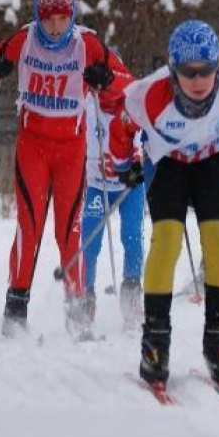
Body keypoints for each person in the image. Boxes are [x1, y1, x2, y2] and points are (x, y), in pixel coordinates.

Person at [0, 0, 131, 338]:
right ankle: (15, 309)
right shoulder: (24, 40)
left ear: (71, 17)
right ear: (39, 16)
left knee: (69, 230)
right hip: (33, 147)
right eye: (48, 19)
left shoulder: (86, 44)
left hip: (72, 149)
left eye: (62, 19)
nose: (55, 28)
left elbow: (128, 86)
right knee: (29, 227)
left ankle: (77, 313)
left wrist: (107, 79)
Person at [109, 19, 219, 387]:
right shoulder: (149, 94)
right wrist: (125, 166)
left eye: (206, 71)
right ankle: (155, 344)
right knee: (165, 241)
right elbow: (121, 128)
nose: (198, 81)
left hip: (212, 161)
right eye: (188, 72)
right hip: (167, 164)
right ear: (172, 69)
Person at [81, 92, 145, 328]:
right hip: (98, 186)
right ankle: (85, 297)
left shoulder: (132, 105)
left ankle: (131, 293)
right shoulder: (87, 104)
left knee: (132, 237)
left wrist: (139, 162)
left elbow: (143, 138)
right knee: (89, 241)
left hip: (130, 186)